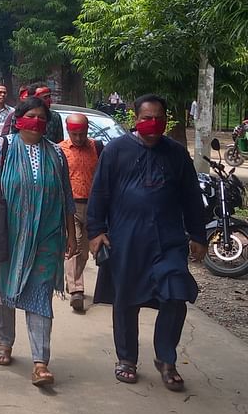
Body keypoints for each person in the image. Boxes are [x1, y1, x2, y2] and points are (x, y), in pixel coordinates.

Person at [87, 94, 206, 391]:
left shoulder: (177, 154)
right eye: (146, 118)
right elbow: (99, 192)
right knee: (126, 300)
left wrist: (198, 235)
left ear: (166, 120)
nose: (152, 123)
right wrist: (96, 231)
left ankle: (166, 359)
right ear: (135, 120)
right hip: (126, 240)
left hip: (169, 240)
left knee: (175, 296)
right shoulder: (116, 151)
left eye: (158, 117)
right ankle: (126, 359)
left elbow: (192, 197)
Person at [0, 96, 76, 387]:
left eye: (41, 117)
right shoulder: (1, 146)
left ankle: (40, 362)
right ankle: (5, 342)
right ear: (19, 119)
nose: (36, 122)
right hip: (5, 233)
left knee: (41, 294)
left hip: (47, 235)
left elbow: (67, 198)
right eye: (30, 116)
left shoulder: (57, 154)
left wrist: (71, 235)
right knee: (3, 290)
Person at [58, 113, 103, 313]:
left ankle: (72, 280)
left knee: (85, 251)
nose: (78, 138)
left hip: (93, 205)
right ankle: (77, 289)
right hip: (70, 205)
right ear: (68, 132)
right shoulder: (60, 150)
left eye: (82, 134)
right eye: (74, 134)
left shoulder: (97, 147)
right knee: (73, 244)